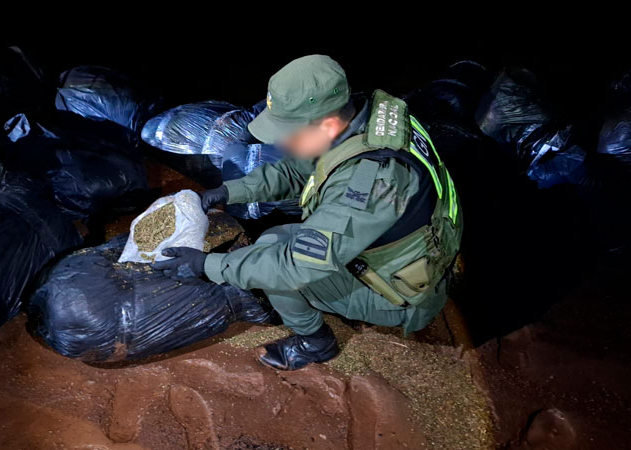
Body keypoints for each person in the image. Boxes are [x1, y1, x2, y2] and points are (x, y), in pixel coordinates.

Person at [152, 54, 463, 371]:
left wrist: (206, 265)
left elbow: (292, 267)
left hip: (398, 293)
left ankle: (315, 343)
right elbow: (296, 171)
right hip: (405, 254)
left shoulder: (368, 184)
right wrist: (228, 192)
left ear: (326, 124)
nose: (282, 141)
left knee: (272, 260)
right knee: (275, 241)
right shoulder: (365, 120)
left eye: (289, 132)